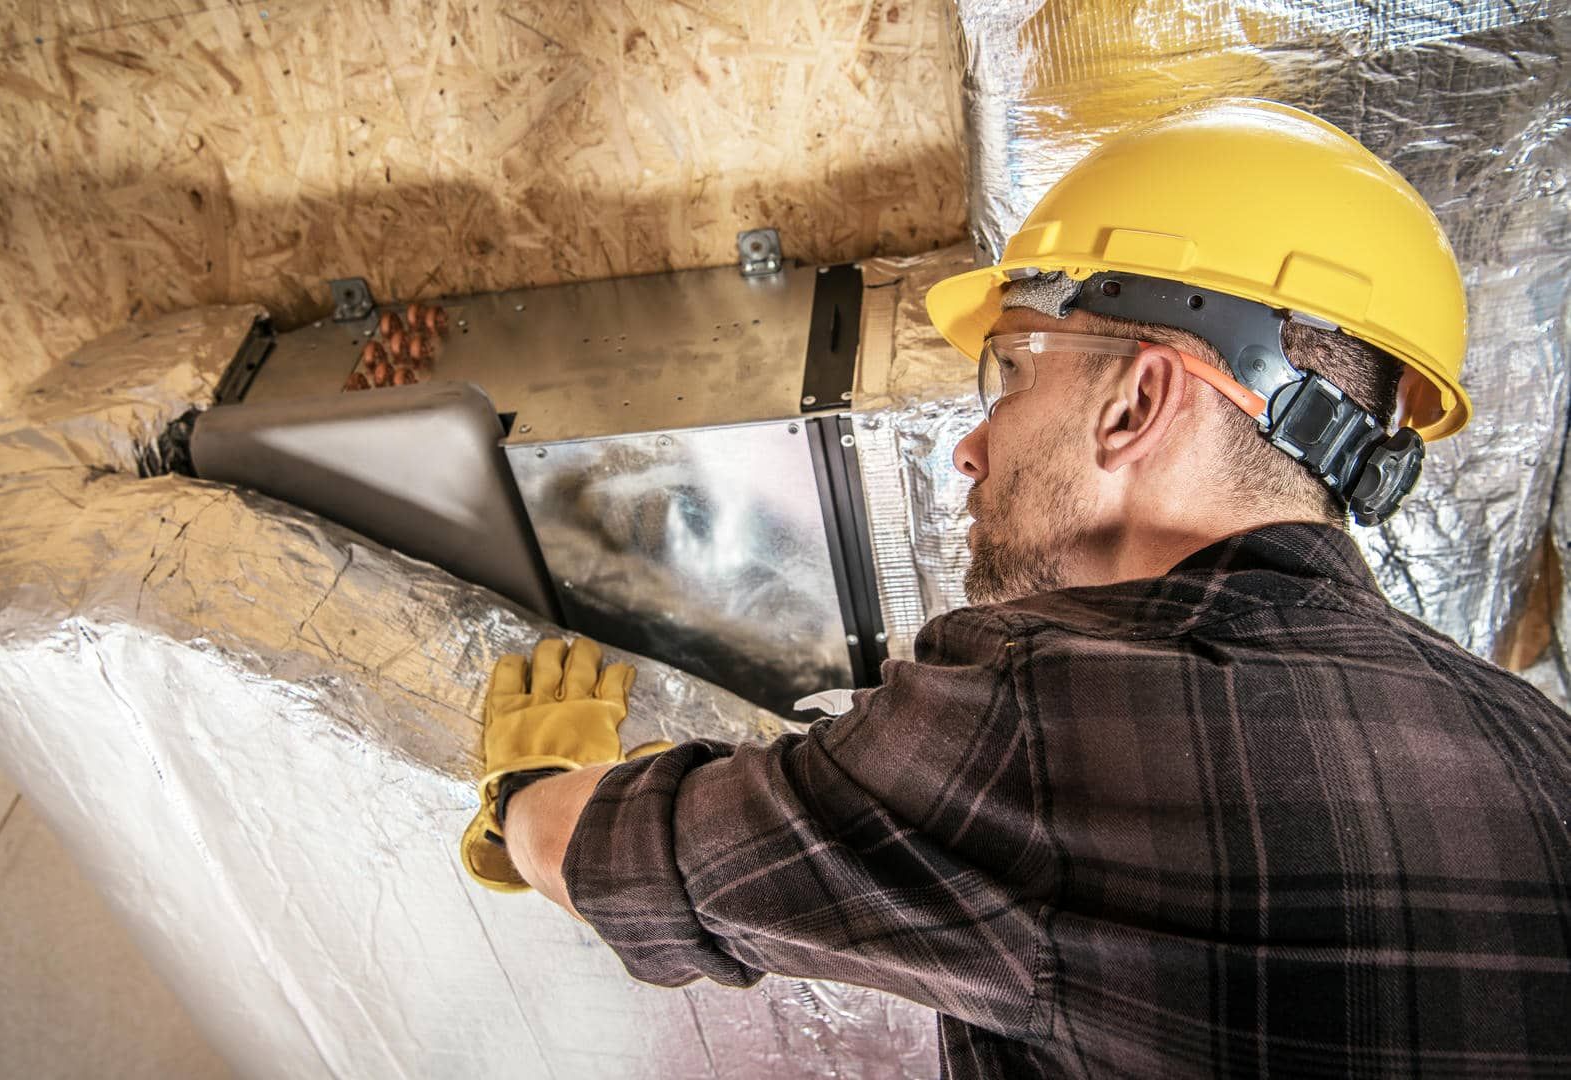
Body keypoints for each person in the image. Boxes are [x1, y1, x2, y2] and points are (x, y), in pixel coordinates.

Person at [461, 100, 1571, 1078]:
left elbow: (624, 861)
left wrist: (532, 787)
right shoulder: (1540, 742)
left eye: (1010, 372)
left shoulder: (1046, 711)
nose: (970, 448)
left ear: (1136, 405)